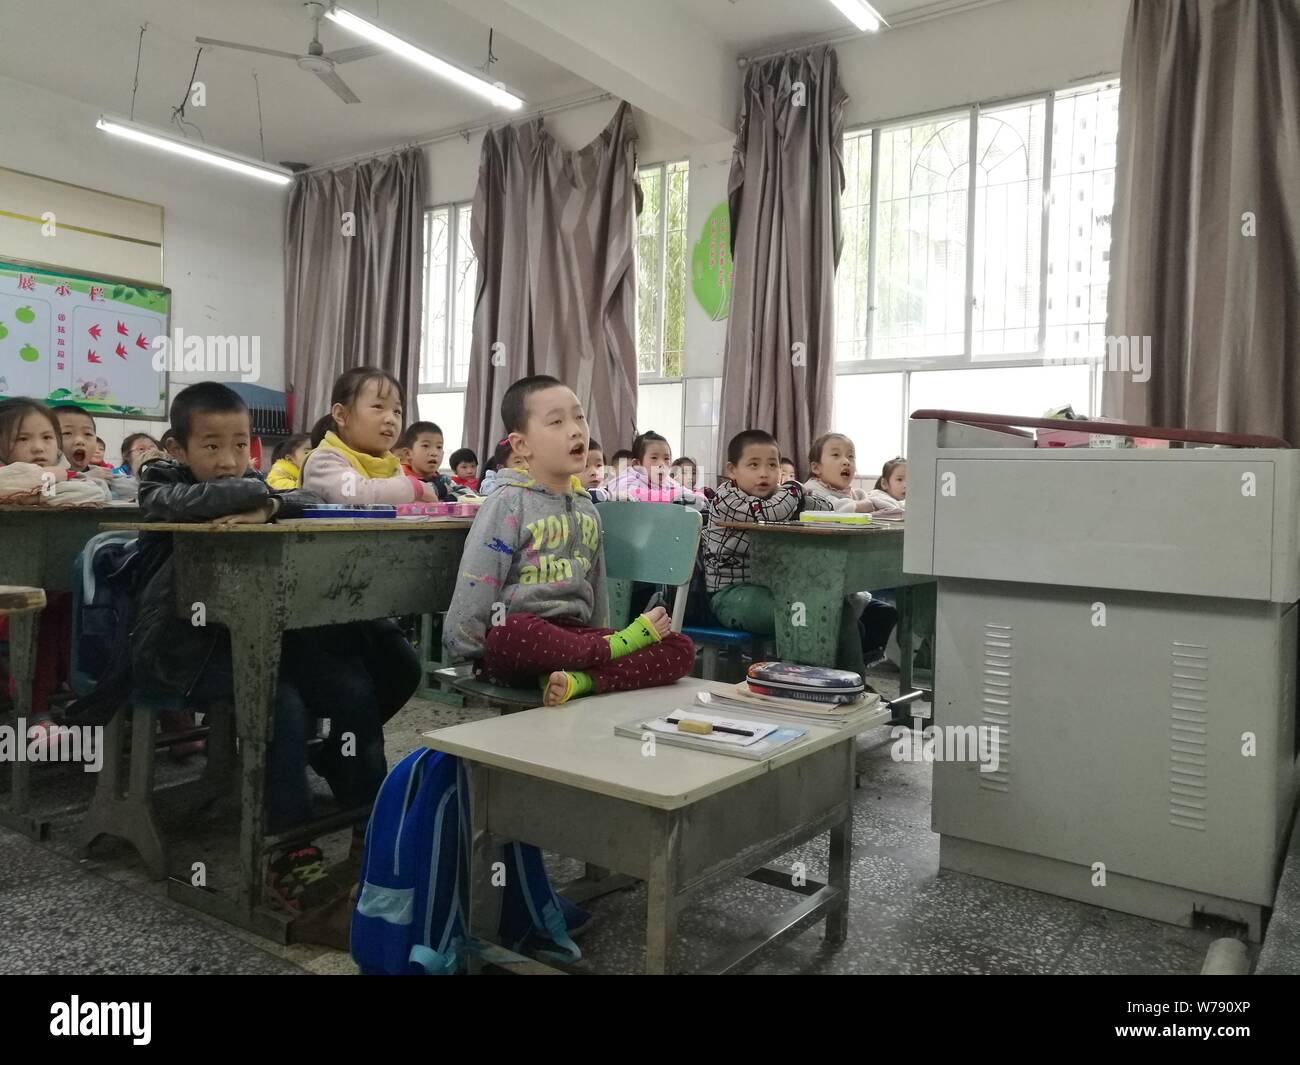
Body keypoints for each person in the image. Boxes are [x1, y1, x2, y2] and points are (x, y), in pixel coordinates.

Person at [444, 374, 693, 706]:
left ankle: (582, 680)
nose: (576, 429)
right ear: (521, 445)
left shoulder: (587, 508)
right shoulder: (508, 503)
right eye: (557, 421)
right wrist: (470, 650)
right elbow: (479, 577)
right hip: (520, 642)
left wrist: (603, 632)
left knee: (679, 649)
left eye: (579, 416)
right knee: (510, 631)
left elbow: (595, 584)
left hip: (574, 638)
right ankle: (604, 656)